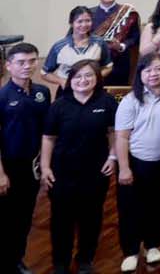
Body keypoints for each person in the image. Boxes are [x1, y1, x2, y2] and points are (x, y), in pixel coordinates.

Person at [40, 60, 116, 274]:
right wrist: (45, 167)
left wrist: (112, 157)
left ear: (97, 78)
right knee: (61, 220)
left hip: (95, 172)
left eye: (89, 75)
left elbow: (113, 132)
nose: (83, 80)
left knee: (91, 218)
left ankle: (85, 259)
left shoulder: (107, 102)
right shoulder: (59, 105)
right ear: (70, 80)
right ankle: (60, 262)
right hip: (62, 172)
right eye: (78, 76)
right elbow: (48, 138)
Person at [115, 52, 160, 271]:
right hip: (135, 161)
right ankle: (131, 251)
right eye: (148, 70)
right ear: (140, 73)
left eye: (158, 69)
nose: (153, 74)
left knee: (158, 205)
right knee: (130, 208)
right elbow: (122, 137)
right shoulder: (131, 100)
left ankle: (153, 244)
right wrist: (124, 168)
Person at [0, 42, 49, 274]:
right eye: (21, 62)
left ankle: (17, 259)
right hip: (8, 166)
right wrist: (1, 174)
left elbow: (47, 133)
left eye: (32, 61)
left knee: (24, 216)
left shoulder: (42, 92)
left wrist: (45, 165)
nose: (27, 66)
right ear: (8, 66)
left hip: (33, 165)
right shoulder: (2, 96)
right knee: (6, 218)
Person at [43, 5, 113, 89]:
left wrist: (95, 78)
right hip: (68, 90)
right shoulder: (59, 46)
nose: (84, 25)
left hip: (93, 89)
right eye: (79, 21)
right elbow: (44, 73)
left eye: (88, 21)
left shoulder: (100, 42)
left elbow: (108, 67)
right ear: (71, 24)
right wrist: (62, 81)